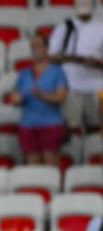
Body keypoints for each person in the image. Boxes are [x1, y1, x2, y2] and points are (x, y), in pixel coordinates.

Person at [9, 33, 69, 166]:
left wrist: (42, 95)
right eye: (32, 46)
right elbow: (15, 96)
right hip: (28, 124)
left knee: (50, 164)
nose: (35, 49)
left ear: (46, 48)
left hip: (50, 124)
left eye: (38, 46)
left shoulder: (57, 71)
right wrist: (16, 100)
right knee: (32, 166)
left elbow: (61, 97)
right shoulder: (24, 74)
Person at [48, 0, 103, 145]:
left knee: (96, 129)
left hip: (97, 86)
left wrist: (96, 63)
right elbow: (52, 56)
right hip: (71, 85)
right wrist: (75, 59)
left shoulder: (101, 27)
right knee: (72, 129)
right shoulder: (64, 27)